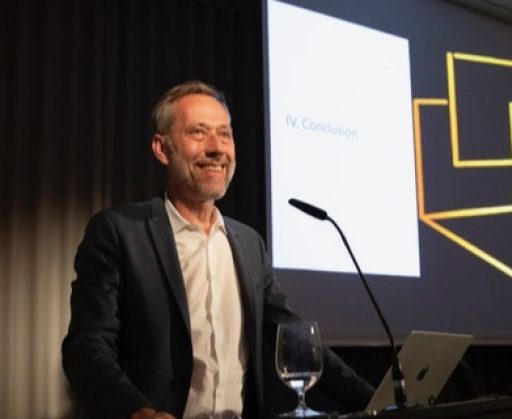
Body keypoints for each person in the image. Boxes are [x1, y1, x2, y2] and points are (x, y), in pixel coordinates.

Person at [62, 80, 374, 419]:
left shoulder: (249, 245)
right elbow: (86, 347)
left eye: (224, 134)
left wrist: (378, 403)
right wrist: (138, 412)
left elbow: (296, 340)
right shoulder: (119, 233)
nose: (217, 148)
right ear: (161, 149)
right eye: (198, 133)